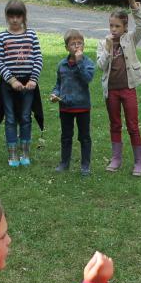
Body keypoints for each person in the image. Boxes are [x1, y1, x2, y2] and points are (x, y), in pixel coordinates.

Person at [96, 0, 141, 175]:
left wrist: (134, 6)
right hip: (111, 90)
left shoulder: (130, 39)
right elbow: (101, 66)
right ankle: (116, 158)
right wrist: (108, 49)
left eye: (117, 26)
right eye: (111, 26)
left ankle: (139, 161)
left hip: (128, 89)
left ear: (125, 27)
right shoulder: (104, 43)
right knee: (115, 124)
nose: (113, 29)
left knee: (133, 125)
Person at [0, 0, 43, 168]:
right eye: (11, 16)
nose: (15, 20)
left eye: (18, 16)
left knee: (25, 117)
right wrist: (12, 80)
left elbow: (38, 58)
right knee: (10, 118)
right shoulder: (1, 37)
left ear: (23, 17)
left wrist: (33, 79)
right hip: (8, 85)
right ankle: (12, 153)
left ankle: (25, 152)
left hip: (28, 83)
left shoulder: (31, 35)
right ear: (7, 17)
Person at [49, 28, 96, 175]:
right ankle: (64, 163)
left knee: (84, 137)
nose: (77, 46)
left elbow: (87, 78)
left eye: (79, 43)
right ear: (66, 48)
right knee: (66, 136)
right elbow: (59, 84)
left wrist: (79, 62)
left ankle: (85, 165)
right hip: (65, 107)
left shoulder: (87, 62)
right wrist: (55, 94)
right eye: (73, 44)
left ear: (84, 45)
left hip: (82, 107)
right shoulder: (62, 65)